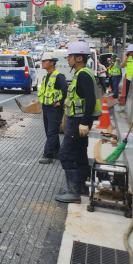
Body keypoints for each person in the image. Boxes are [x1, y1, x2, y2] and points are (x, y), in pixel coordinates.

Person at [54, 41, 102, 203]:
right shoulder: (82, 73)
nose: (68, 59)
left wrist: (84, 122)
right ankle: (82, 188)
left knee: (65, 154)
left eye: (70, 56)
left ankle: (73, 192)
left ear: (79, 57)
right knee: (80, 155)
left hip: (78, 122)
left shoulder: (83, 74)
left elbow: (90, 100)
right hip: (79, 120)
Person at [38, 53, 68, 164]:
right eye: (42, 61)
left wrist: (61, 102)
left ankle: (48, 155)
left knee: (52, 132)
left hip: (55, 109)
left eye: (45, 61)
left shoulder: (59, 76)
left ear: (52, 63)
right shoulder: (46, 76)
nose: (42, 63)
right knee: (49, 131)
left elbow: (66, 90)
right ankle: (56, 152)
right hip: (46, 107)